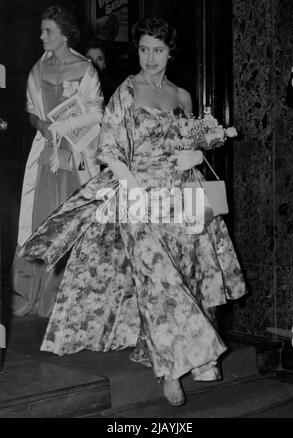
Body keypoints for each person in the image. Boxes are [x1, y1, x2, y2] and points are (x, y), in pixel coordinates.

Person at [20, 18, 246, 406]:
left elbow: (187, 143)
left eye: (158, 50)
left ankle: (181, 352)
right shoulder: (126, 91)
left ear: (170, 52)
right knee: (158, 280)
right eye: (144, 49)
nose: (151, 58)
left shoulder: (182, 96)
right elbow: (108, 148)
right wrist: (133, 187)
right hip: (137, 195)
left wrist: (195, 151)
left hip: (181, 196)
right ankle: (169, 371)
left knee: (186, 274)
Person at [12, 6, 104, 317]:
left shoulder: (85, 69)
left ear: (65, 36)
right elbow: (31, 113)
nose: (41, 36)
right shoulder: (37, 70)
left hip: (76, 155)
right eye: (41, 31)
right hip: (46, 155)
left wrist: (66, 134)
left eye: (48, 31)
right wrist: (45, 128)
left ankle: (66, 297)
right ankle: (30, 293)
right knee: (40, 220)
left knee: (71, 221)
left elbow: (97, 116)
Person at [85, 40, 116, 105]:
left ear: (105, 63)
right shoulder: (75, 83)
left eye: (100, 59)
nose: (94, 63)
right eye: (90, 59)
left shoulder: (112, 91)